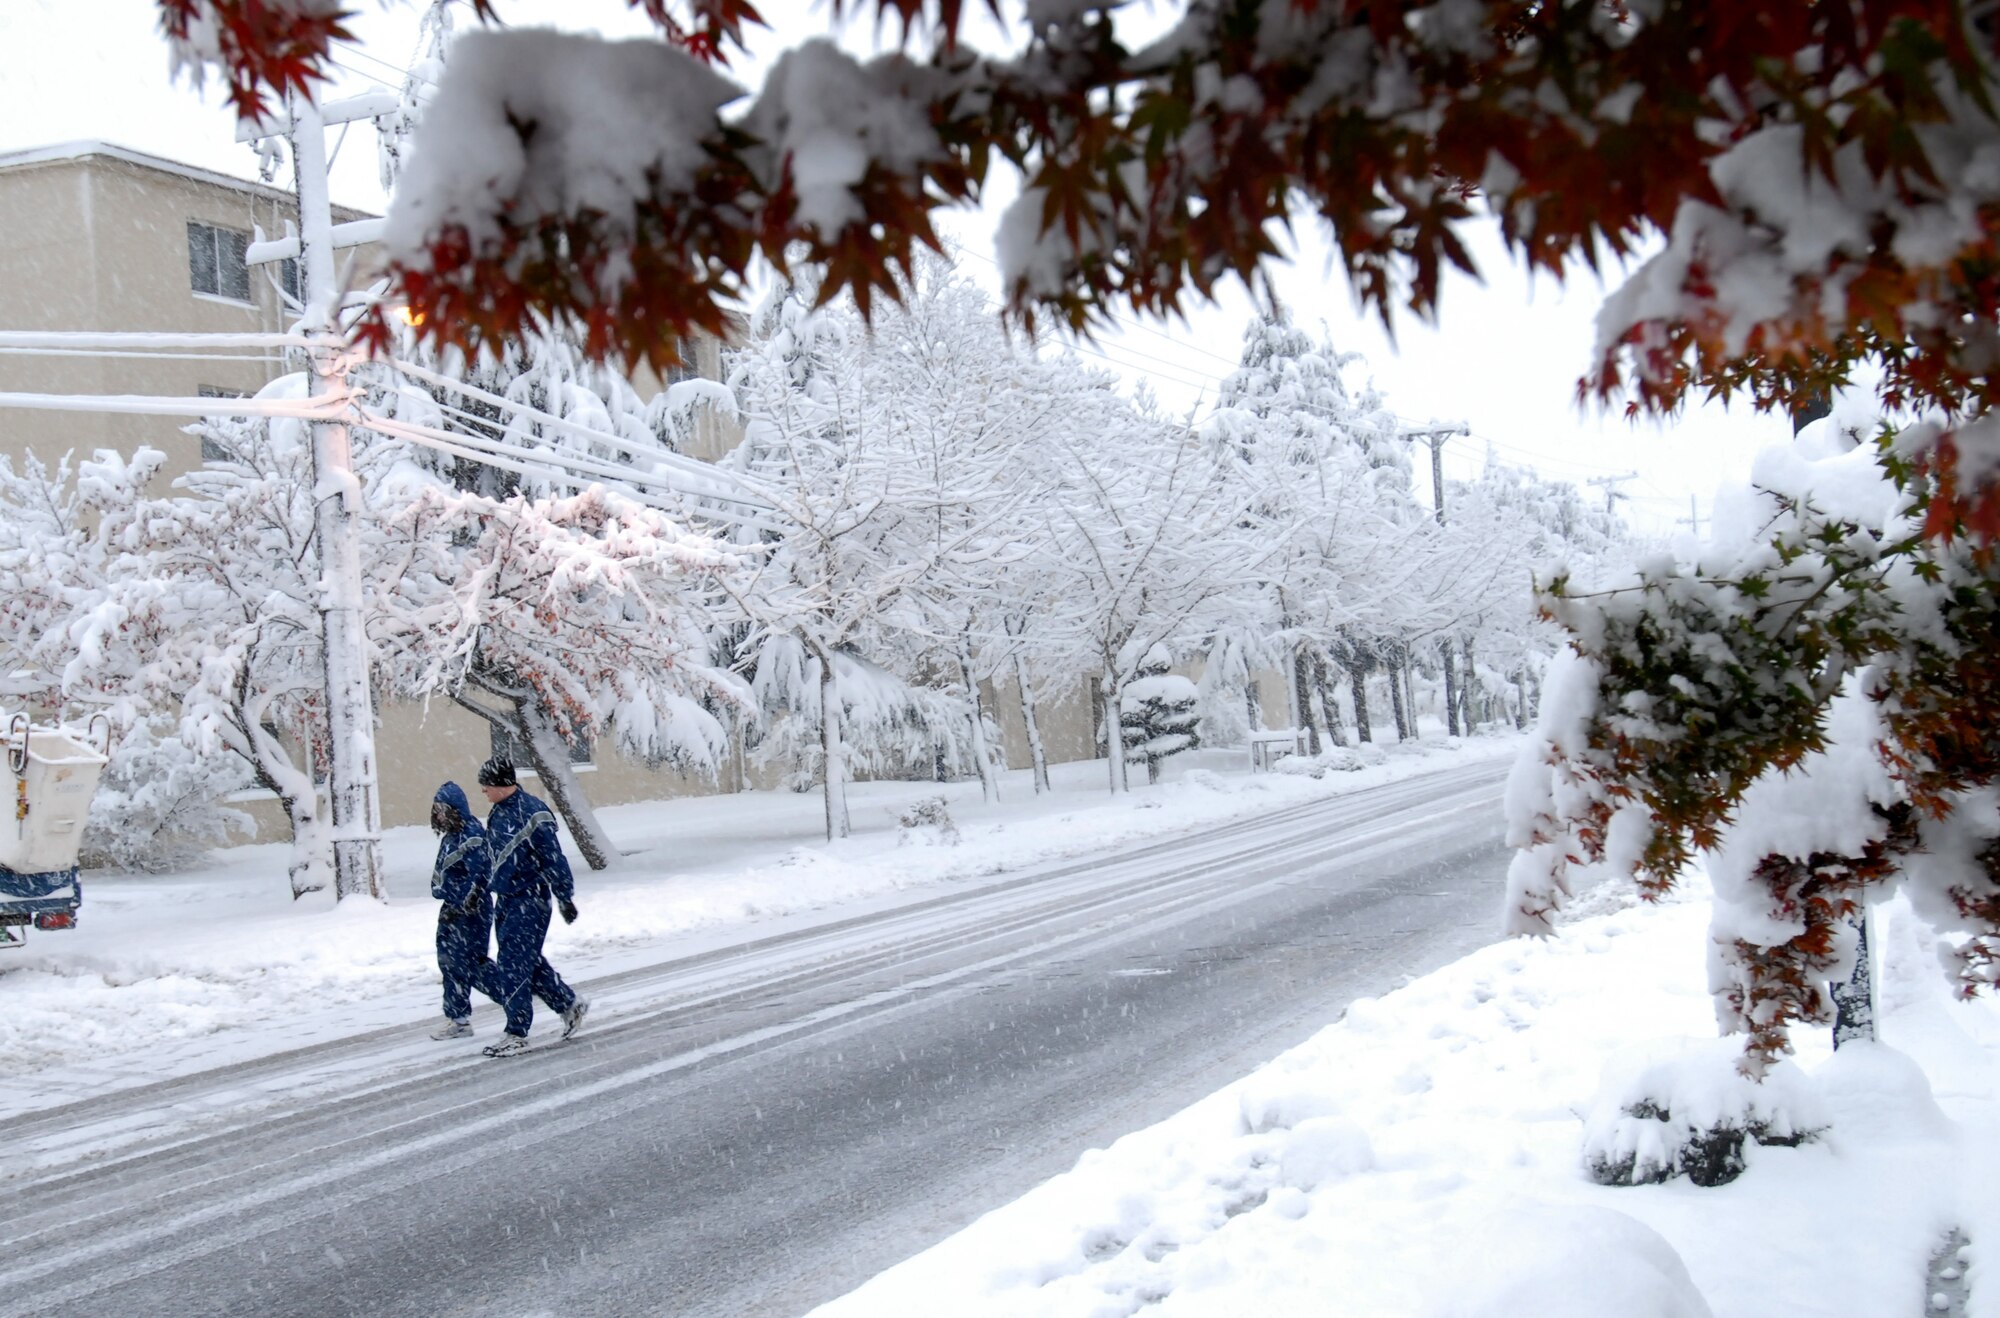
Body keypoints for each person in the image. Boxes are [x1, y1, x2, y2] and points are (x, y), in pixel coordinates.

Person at [476, 755, 589, 1057]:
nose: (483, 790)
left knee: (514, 964)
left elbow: (554, 857)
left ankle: (516, 1031)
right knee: (527, 961)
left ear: (501, 783)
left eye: (486, 784)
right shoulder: (499, 813)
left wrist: (564, 896)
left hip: (530, 899)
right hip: (507, 899)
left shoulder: (532, 813)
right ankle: (569, 1004)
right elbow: (494, 857)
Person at [427, 782, 492, 1040]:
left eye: (443, 810)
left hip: (470, 911)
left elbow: (479, 876)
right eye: (436, 810)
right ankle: (458, 1018)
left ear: (455, 809)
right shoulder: (451, 838)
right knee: (450, 963)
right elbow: (442, 877)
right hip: (452, 909)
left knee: (473, 966)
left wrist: (465, 903)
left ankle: (515, 1000)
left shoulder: (472, 835)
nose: (439, 815)